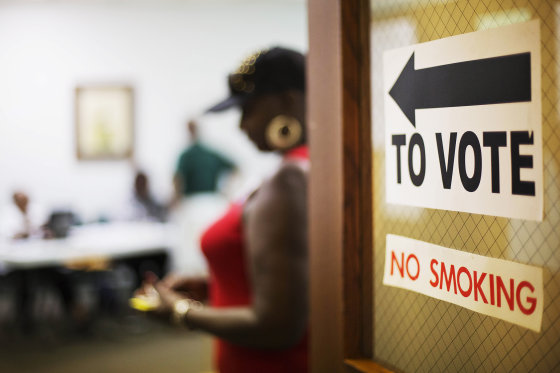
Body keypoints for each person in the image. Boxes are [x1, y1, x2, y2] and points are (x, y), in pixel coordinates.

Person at [136, 47, 308, 372]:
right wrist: (215, 285)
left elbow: (278, 325)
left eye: (249, 109)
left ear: (287, 100)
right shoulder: (299, 169)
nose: (242, 125)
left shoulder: (289, 179)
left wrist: (181, 312)